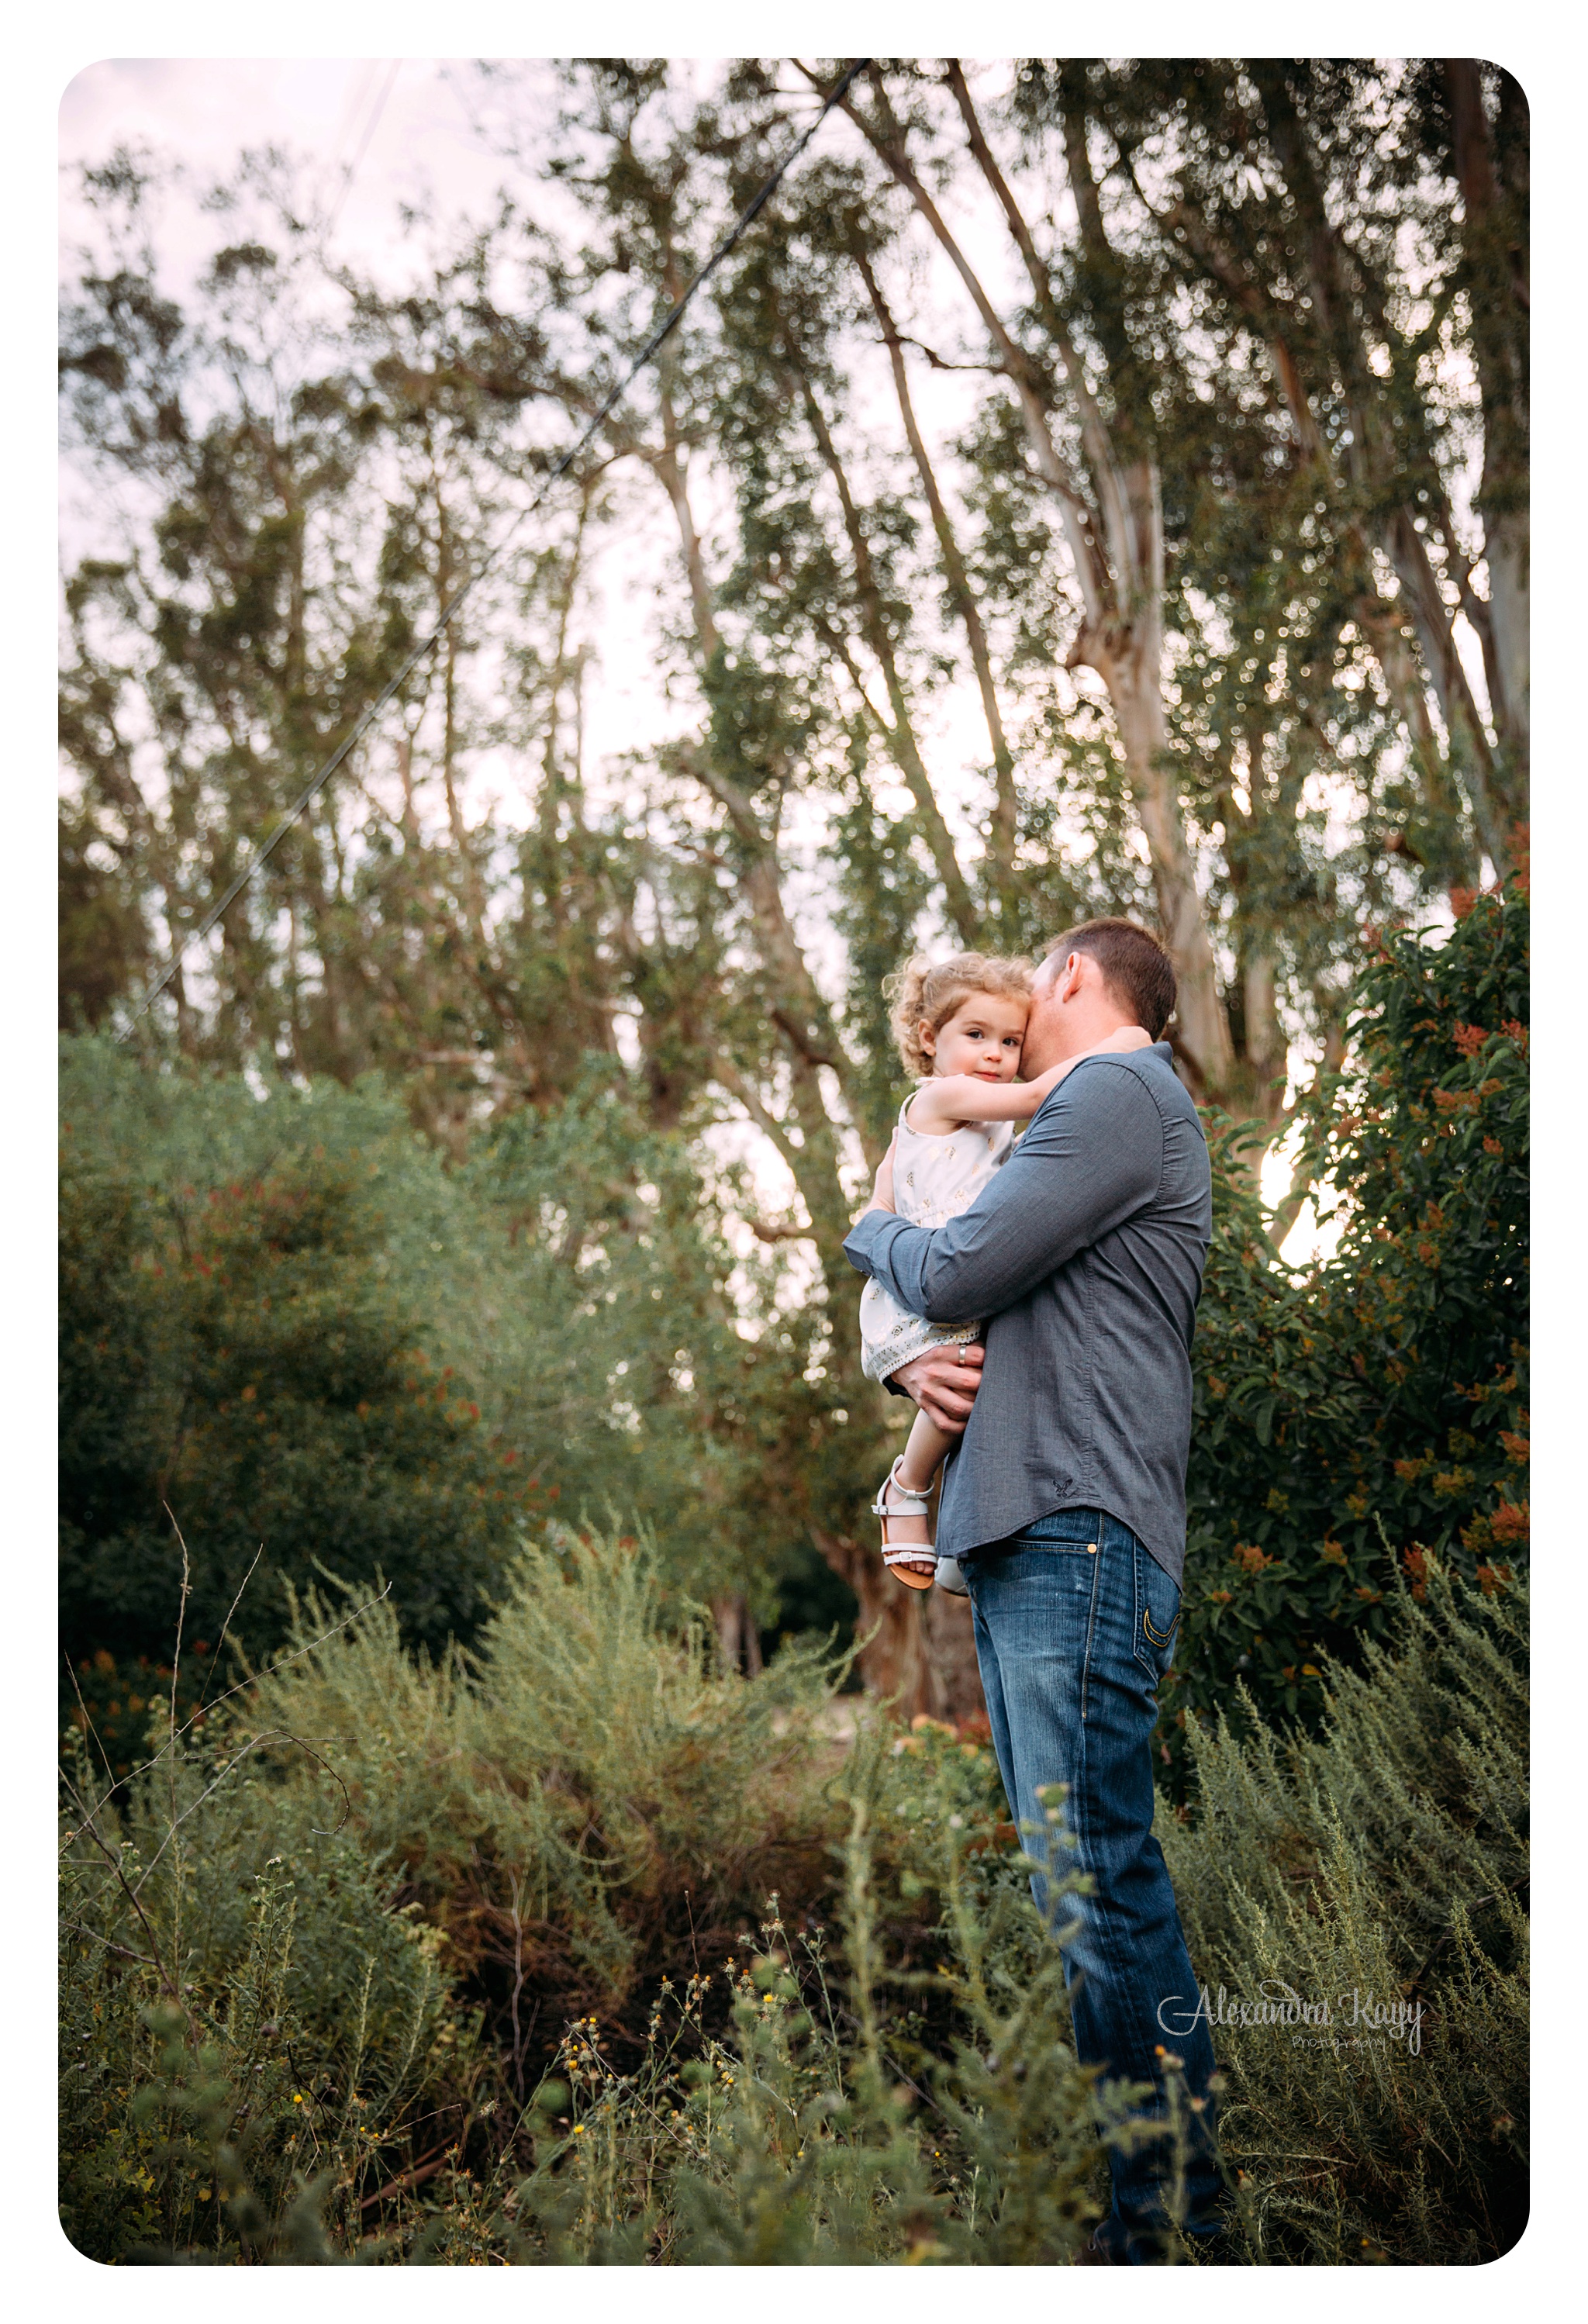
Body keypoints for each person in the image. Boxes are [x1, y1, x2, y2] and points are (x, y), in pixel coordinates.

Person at [843, 917, 1224, 2265]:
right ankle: (1147, 2219)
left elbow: (949, 1265)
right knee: (1074, 1890)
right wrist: (910, 1375)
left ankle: (1171, 2237)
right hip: (1024, 1530)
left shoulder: (1115, 1090)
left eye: (1025, 998)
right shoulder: (1061, 1120)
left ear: (1069, 981)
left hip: (1077, 1526)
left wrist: (865, 1221)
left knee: (1097, 1881)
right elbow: (958, 1307)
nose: (1009, 1027)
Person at [860, 952, 1150, 1594]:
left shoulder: (984, 1119)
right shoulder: (943, 1094)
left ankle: (966, 1530)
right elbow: (1040, 1094)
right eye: (976, 1035)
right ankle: (907, 1486)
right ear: (930, 1038)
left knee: (987, 1382)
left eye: (1011, 1040)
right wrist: (1121, 1044)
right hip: (931, 1274)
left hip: (958, 1266)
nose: (994, 1054)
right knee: (959, 1382)